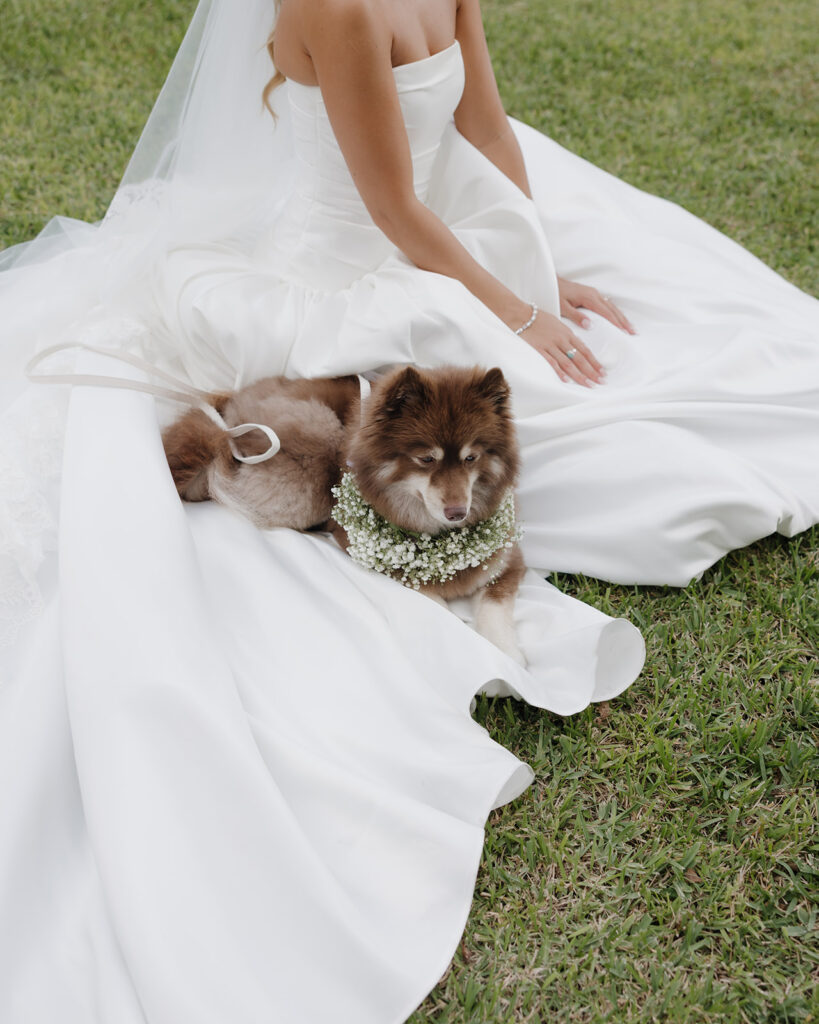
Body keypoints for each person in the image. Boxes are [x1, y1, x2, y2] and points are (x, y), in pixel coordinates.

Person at [0, 2, 815, 1024]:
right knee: (489, 381)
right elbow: (392, 212)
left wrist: (538, 276)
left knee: (576, 389)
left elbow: (484, 130)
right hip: (339, 268)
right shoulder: (333, 9)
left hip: (425, 240)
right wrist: (516, 318)